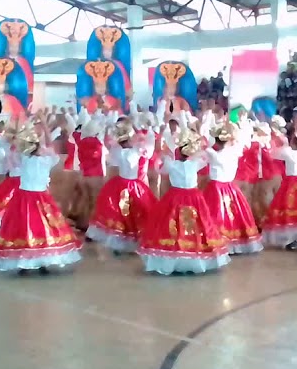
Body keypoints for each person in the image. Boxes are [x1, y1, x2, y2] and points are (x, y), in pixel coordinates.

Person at [0, 118, 81, 274]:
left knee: (28, 228)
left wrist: (35, 129)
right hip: (36, 198)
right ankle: (35, 261)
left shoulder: (23, 159)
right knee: (39, 228)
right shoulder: (44, 159)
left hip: (27, 198)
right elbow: (49, 146)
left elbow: (18, 145)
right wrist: (44, 127)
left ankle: (30, 261)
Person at [137, 123, 231, 275]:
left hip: (175, 197)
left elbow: (159, 169)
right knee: (196, 225)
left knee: (173, 225)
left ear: (178, 151)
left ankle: (174, 258)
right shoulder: (195, 163)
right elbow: (205, 157)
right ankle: (193, 256)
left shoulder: (172, 164)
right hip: (193, 197)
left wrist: (163, 154)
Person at [86, 119, 158, 254]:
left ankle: (124, 242)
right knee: (130, 213)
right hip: (131, 184)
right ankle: (127, 242)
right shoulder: (135, 150)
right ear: (129, 140)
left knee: (124, 213)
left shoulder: (118, 151)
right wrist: (142, 129)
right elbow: (147, 143)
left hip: (123, 184)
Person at [200, 111, 263, 255]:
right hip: (230, 187)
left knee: (217, 215)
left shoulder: (212, 153)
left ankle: (217, 241)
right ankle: (236, 241)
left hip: (216, 188)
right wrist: (228, 125)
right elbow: (238, 141)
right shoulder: (234, 151)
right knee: (234, 214)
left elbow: (205, 146)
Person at [262, 120, 297, 249]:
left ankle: (291, 238)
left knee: (287, 209)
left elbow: (273, 154)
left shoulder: (288, 152)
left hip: (290, 183)